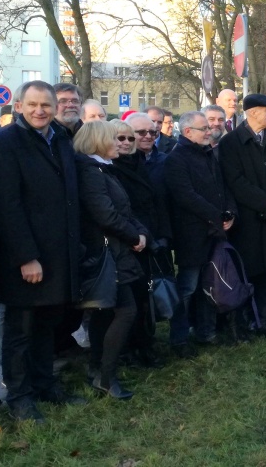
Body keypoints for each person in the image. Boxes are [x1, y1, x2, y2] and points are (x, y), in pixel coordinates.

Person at [0, 81, 85, 422]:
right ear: (19, 105)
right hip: (27, 259)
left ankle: (45, 385)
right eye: (33, 105)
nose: (40, 110)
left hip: (58, 254)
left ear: (55, 107)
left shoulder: (60, 139)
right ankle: (19, 398)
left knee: (46, 327)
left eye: (46, 105)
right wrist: (26, 257)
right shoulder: (5, 143)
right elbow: (6, 206)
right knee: (21, 332)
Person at [73, 121, 148, 400]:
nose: (120, 143)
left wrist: (141, 232)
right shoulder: (92, 172)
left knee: (106, 312)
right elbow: (105, 215)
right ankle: (106, 376)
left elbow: (123, 210)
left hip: (116, 250)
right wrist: (134, 236)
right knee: (124, 310)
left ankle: (97, 369)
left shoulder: (102, 169)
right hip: (108, 253)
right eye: (113, 139)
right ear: (98, 142)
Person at [218, 94, 266, 335]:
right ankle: (245, 322)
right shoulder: (230, 143)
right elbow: (235, 181)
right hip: (248, 220)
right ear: (253, 112)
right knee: (249, 272)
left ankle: (265, 320)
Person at [164, 111, 236, 357]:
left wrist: (228, 211)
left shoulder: (207, 154)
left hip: (213, 232)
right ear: (187, 132)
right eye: (203, 128)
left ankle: (206, 332)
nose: (209, 131)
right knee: (187, 288)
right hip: (191, 235)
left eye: (208, 127)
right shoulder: (176, 158)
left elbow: (221, 187)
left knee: (209, 285)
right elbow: (185, 195)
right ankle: (179, 339)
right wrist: (217, 214)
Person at [108, 119, 170, 369]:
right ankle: (127, 350)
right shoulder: (109, 167)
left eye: (130, 139)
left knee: (145, 297)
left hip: (147, 240)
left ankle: (144, 345)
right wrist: (136, 236)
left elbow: (156, 201)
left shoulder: (138, 163)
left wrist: (160, 235)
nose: (126, 142)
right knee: (128, 302)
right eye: (121, 138)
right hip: (126, 243)